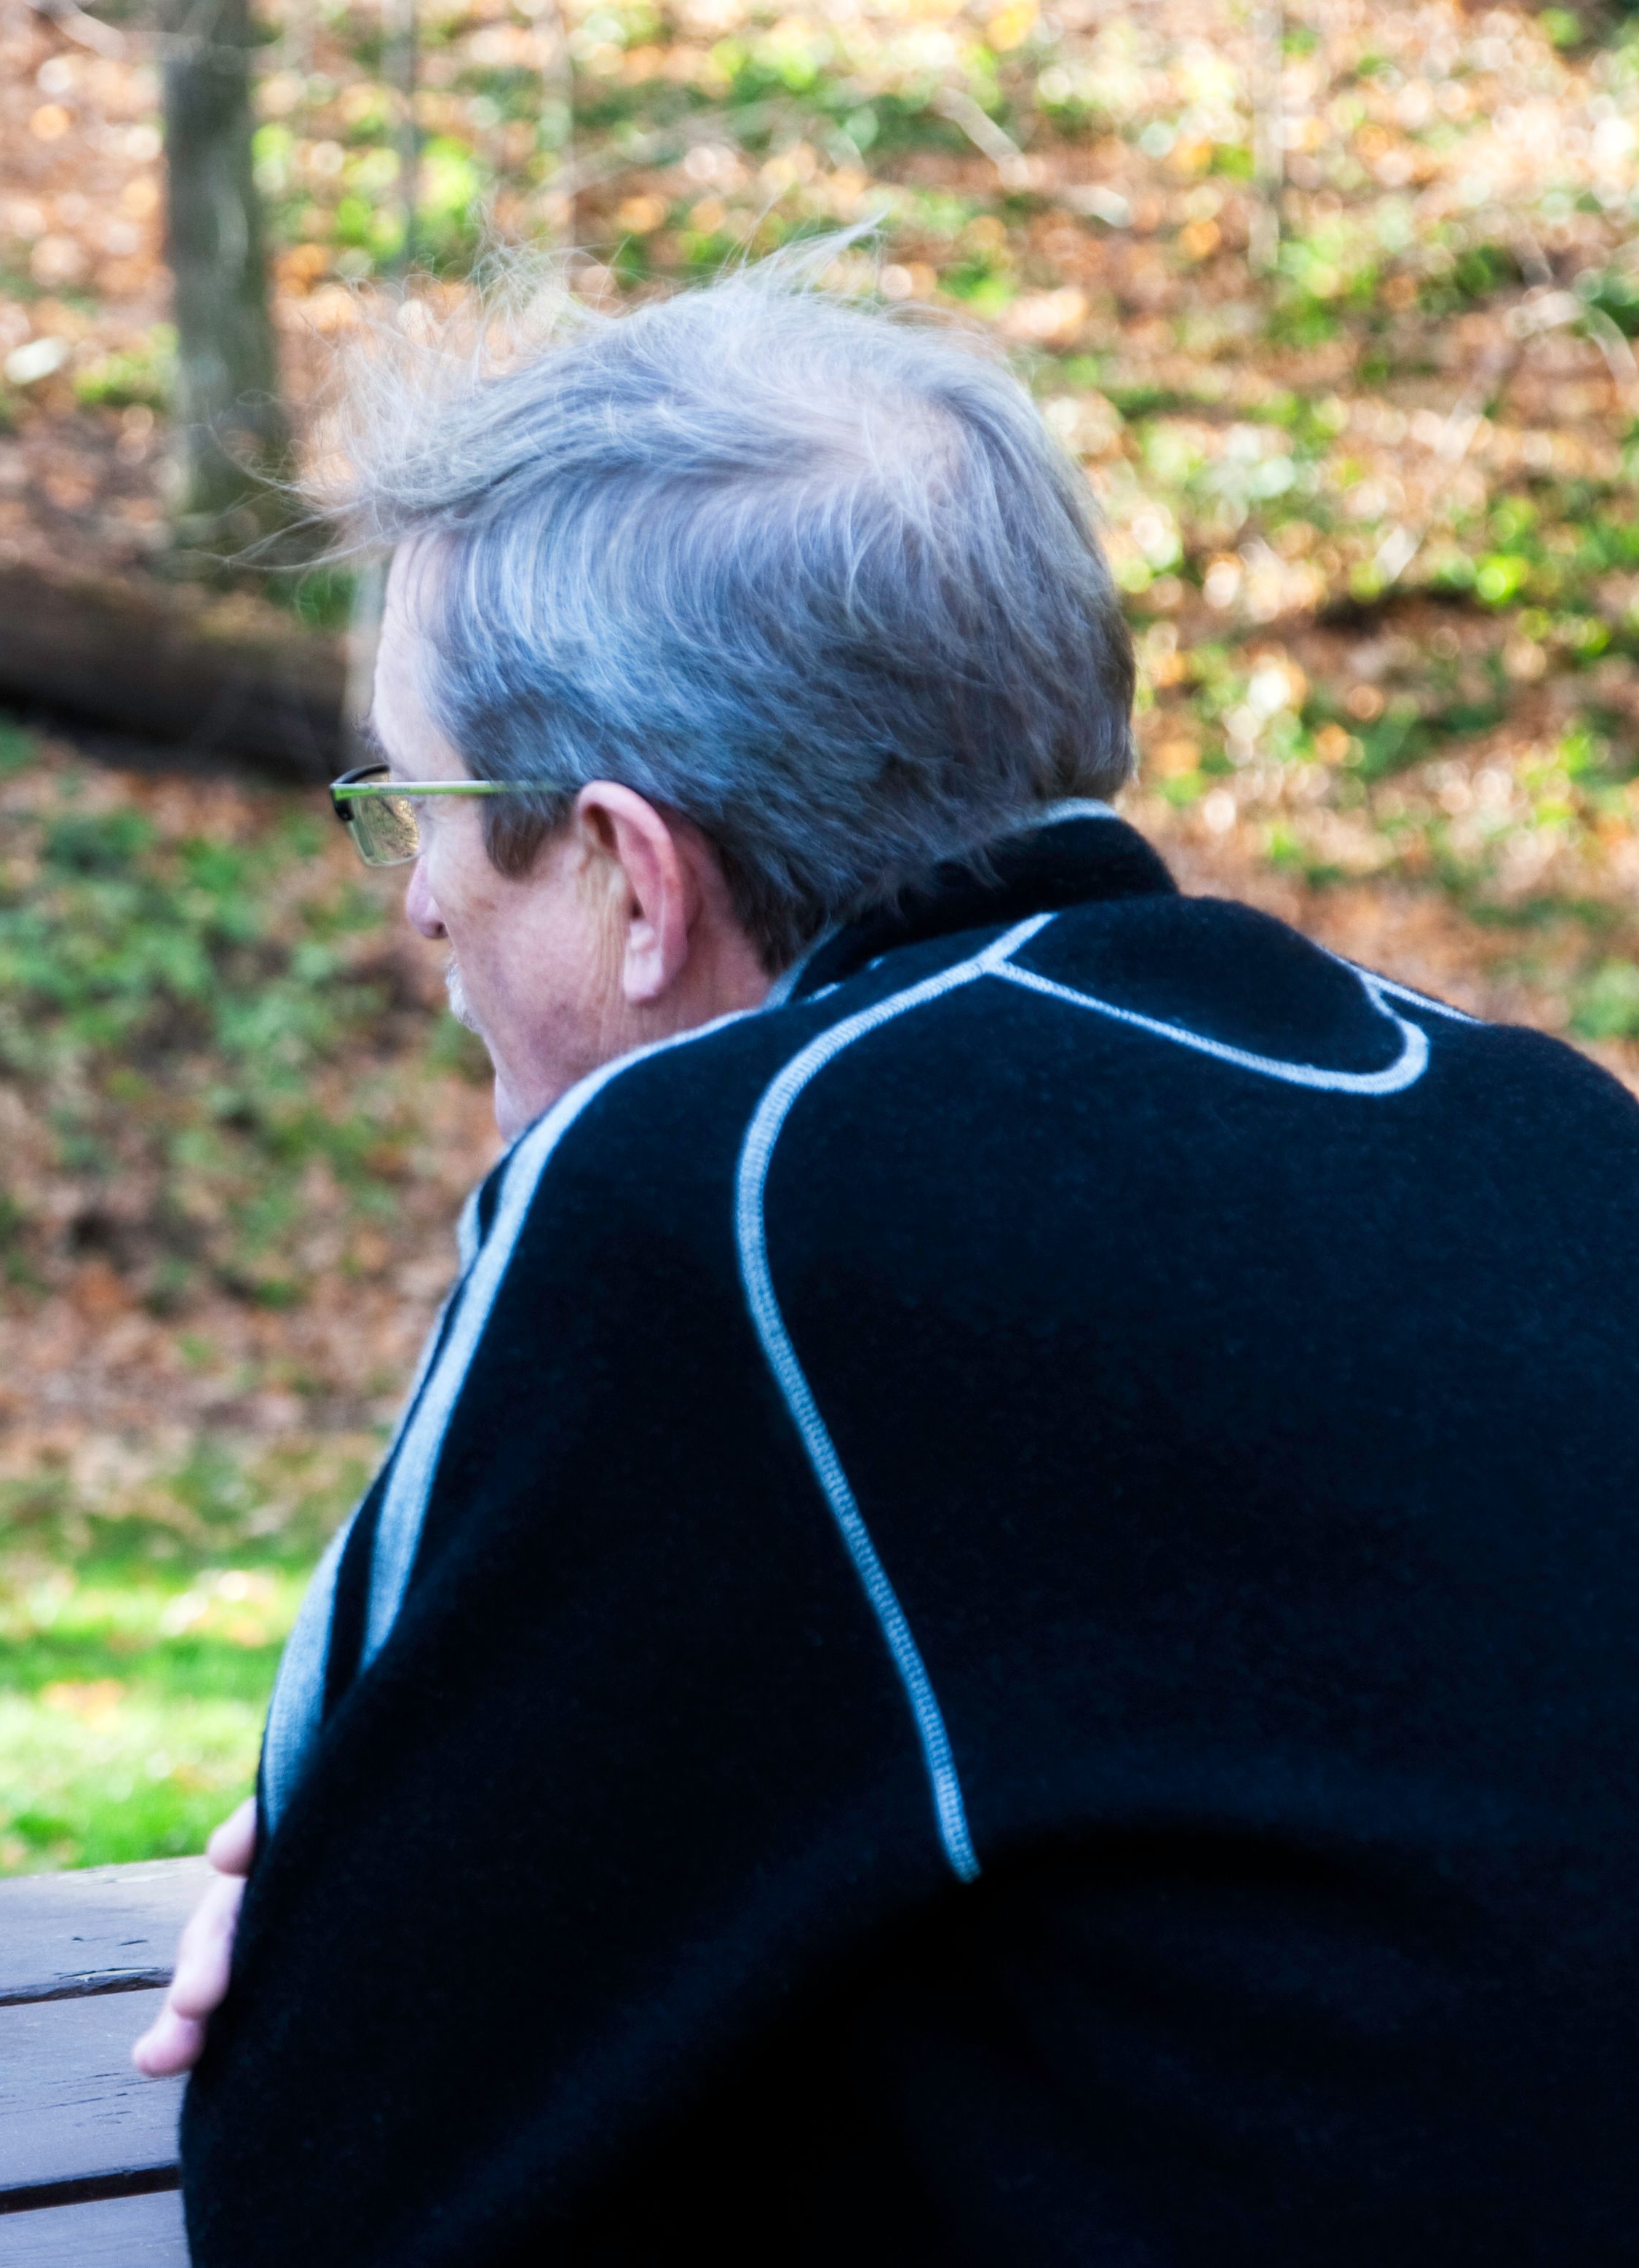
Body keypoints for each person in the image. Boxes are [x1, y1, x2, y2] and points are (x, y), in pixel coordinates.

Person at [139, 253, 1639, 2260]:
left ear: (627, 873)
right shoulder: (1528, 1113)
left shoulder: (721, 1185)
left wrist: (344, 1893)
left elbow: (326, 2174)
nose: (413, 896)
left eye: (421, 804)